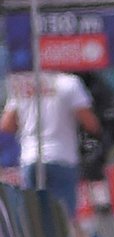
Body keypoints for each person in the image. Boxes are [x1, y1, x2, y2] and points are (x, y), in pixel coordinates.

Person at [1, 68, 102, 215]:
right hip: (62, 156)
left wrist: (28, 121)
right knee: (63, 216)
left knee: (36, 217)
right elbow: (90, 123)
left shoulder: (23, 84)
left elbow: (6, 125)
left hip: (31, 157)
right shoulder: (69, 83)